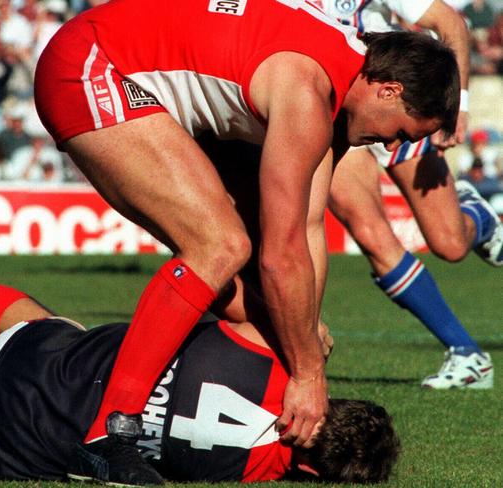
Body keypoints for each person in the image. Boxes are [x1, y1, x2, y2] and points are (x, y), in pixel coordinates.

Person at [34, 0, 458, 483]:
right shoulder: (308, 94)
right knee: (220, 247)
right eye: (401, 132)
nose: (390, 146)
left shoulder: (337, 79)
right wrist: (306, 374)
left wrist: (308, 333)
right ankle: (110, 434)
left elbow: (309, 226)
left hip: (113, 61)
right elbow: (282, 256)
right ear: (388, 90)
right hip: (90, 63)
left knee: (246, 268)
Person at [0, 248, 399, 484]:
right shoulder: (252, 473)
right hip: (8, 444)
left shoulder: (277, 355)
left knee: (57, 329)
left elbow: (220, 284)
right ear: (309, 471)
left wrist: (299, 327)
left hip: (30, 353)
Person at [312, 0, 496, 389]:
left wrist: (455, 107)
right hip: (340, 109)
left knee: (450, 243)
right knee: (369, 232)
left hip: (399, 102)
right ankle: (467, 355)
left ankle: (479, 220)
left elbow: (450, 23)